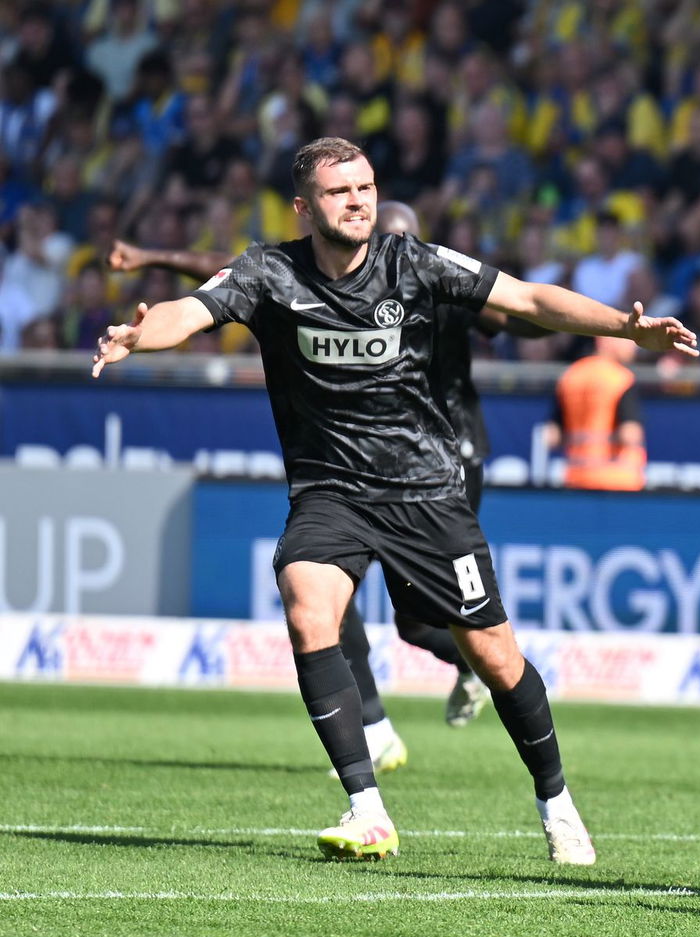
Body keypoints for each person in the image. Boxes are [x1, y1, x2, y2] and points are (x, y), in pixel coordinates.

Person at [94, 137, 698, 863]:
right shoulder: (269, 272)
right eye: (339, 191)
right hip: (331, 488)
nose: (357, 201)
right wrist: (139, 333)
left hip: (425, 490)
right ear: (304, 206)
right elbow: (188, 309)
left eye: (366, 187)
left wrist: (627, 327)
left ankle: (557, 800)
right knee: (306, 600)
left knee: (496, 656)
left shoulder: (414, 264)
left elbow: (530, 299)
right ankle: (367, 807)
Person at [106, 201, 548, 730]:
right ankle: (373, 723)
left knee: (413, 621)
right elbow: (233, 269)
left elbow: (524, 313)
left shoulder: (436, 281)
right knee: (327, 587)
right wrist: (155, 258)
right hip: (357, 461)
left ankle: (472, 666)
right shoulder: (327, 277)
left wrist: (585, 322)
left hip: (446, 458)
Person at [549, 334, 647, 491]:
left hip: (577, 479)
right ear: (604, 340)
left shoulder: (570, 376)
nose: (633, 347)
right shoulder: (621, 378)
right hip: (619, 481)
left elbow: (553, 436)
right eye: (627, 340)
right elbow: (630, 434)